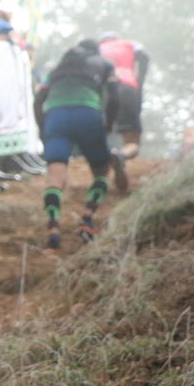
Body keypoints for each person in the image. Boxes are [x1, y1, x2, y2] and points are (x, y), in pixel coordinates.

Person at [33, 38, 119, 253]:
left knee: (55, 177)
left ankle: (53, 231)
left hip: (55, 117)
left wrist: (43, 129)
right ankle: (87, 219)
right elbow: (115, 97)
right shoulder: (104, 64)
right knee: (101, 171)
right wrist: (107, 124)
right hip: (88, 113)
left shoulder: (57, 69)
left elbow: (38, 100)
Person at [97, 32, 151, 194]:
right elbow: (145, 57)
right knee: (132, 140)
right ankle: (121, 154)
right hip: (128, 86)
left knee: (102, 133)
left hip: (105, 90)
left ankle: (101, 170)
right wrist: (139, 81)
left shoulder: (97, 49)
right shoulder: (130, 43)